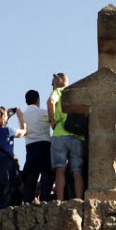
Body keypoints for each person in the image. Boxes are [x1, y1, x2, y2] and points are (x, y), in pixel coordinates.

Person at [48, 73, 85, 201]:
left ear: (58, 80)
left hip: (60, 134)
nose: (52, 85)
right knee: (77, 171)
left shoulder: (59, 91)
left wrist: (52, 120)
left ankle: (59, 199)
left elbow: (51, 102)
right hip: (78, 136)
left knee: (60, 169)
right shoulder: (79, 95)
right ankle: (79, 199)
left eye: (53, 82)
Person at [0, 105, 27, 209]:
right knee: (8, 194)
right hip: (8, 166)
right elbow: (24, 132)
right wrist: (20, 117)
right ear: (3, 117)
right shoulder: (8, 130)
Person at [20, 89, 55, 203]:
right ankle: (45, 198)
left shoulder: (23, 115)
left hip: (31, 147)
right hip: (45, 145)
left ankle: (28, 200)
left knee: (30, 176)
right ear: (38, 100)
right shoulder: (44, 112)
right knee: (47, 174)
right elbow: (52, 121)